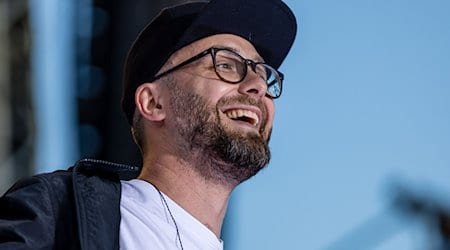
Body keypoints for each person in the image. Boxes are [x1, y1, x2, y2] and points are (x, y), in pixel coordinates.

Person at [0, 0, 297, 249]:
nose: (257, 84)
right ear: (153, 103)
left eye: (264, 73)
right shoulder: (57, 213)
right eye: (226, 64)